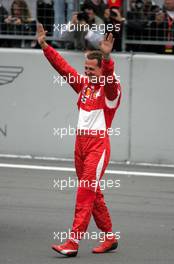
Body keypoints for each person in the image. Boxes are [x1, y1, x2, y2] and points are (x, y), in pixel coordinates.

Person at [37, 23, 121, 257]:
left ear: (101, 70)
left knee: (85, 192)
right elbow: (64, 69)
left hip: (98, 146)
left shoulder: (110, 91)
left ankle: (73, 242)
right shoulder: (84, 86)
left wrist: (107, 58)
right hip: (80, 146)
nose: (87, 72)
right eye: (85, 68)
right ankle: (109, 237)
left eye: (92, 69)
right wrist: (45, 46)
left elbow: (111, 81)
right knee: (93, 194)